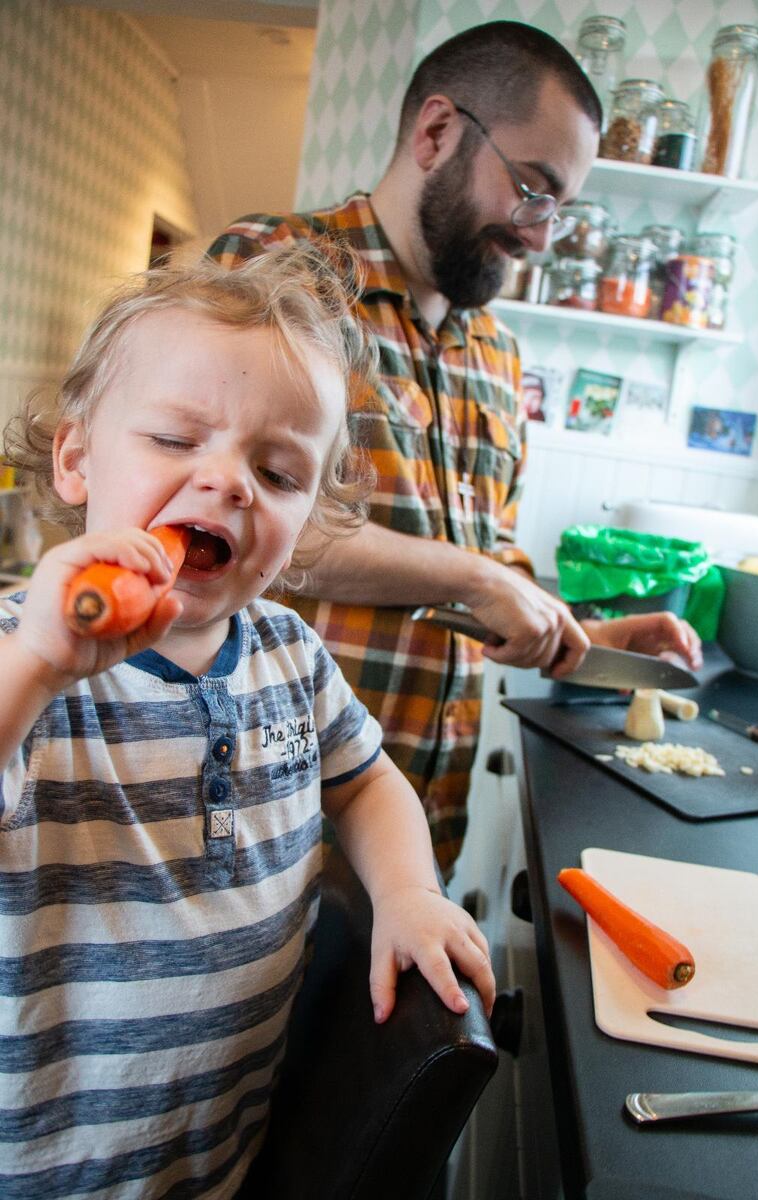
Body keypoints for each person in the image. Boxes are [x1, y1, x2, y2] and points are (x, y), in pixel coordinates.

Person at [0, 245, 495, 1198]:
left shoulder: (287, 651)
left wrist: (408, 893)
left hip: (219, 1156)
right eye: (178, 442)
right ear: (74, 457)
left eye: (276, 471)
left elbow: (365, 780)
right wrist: (38, 666)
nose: (228, 482)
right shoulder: (29, 648)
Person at [208, 21, 702, 875]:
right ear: (437, 131)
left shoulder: (498, 357)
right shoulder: (278, 272)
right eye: (532, 188)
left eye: (562, 209)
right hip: (266, 817)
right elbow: (231, 524)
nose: (542, 235)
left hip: (422, 840)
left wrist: (590, 635)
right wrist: (477, 576)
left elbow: (480, 577)